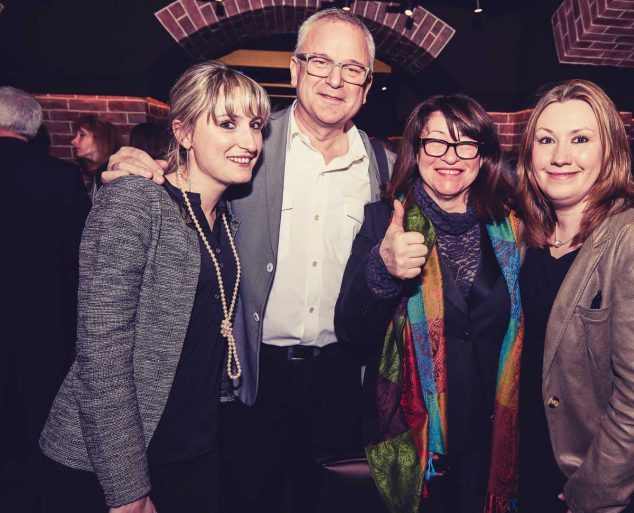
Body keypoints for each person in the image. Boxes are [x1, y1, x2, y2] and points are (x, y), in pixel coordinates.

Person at [102, 9, 389, 512]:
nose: (335, 79)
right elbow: (184, 179)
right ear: (295, 69)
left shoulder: (384, 165)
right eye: (321, 62)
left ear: (366, 87)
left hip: (341, 376)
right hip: (250, 376)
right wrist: (134, 168)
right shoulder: (250, 142)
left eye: (352, 69)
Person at [38, 61, 271, 513]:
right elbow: (101, 353)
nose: (249, 142)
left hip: (194, 451)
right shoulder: (136, 199)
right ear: (183, 132)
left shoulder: (225, 217)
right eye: (227, 124)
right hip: (112, 461)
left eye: (256, 125)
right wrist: (126, 487)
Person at [515, 79, 634, 513]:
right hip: (542, 458)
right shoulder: (530, 234)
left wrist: (593, 492)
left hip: (609, 482)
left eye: (580, 139)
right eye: (546, 140)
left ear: (610, 150)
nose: (560, 156)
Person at [335, 94, 521, 513]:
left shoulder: (511, 225)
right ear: (416, 151)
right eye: (436, 142)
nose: (449, 157)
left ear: (482, 156)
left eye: (465, 144)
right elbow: (351, 333)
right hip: (414, 437)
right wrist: (382, 269)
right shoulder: (383, 221)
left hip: (489, 438)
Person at [0, 86, 90, 513]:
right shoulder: (61, 178)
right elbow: (81, 259)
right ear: (34, 129)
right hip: (43, 329)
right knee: (39, 429)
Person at [71, 114, 119, 196]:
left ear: (100, 138)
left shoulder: (111, 172)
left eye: (82, 135)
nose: (73, 141)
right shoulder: (99, 171)